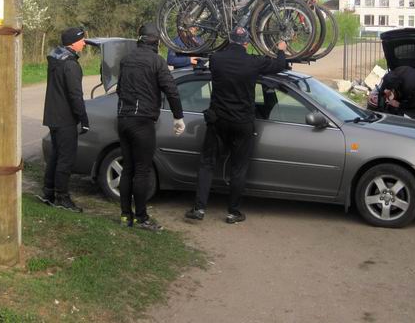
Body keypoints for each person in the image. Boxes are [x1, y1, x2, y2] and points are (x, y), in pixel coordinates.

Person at [185, 27, 287, 224]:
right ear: (246, 43)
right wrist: (281, 49)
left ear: (229, 40)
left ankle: (199, 208)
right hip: (242, 123)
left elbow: (205, 58)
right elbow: (280, 65)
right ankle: (233, 212)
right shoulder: (253, 62)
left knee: (207, 164)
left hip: (218, 121)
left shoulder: (216, 59)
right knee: (238, 168)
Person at [116, 22, 185, 231]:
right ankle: (141, 218)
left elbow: (119, 89)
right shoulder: (157, 61)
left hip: (123, 118)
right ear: (156, 41)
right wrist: (178, 117)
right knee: (142, 170)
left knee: (128, 169)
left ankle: (125, 216)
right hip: (143, 121)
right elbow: (171, 90)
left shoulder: (126, 60)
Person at [38, 26, 89, 212]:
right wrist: (83, 118)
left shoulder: (56, 59)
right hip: (66, 117)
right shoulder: (70, 65)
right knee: (65, 159)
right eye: (81, 39)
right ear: (73, 42)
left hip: (52, 115)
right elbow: (75, 95)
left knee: (56, 156)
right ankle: (62, 197)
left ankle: (48, 192)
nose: (84, 42)